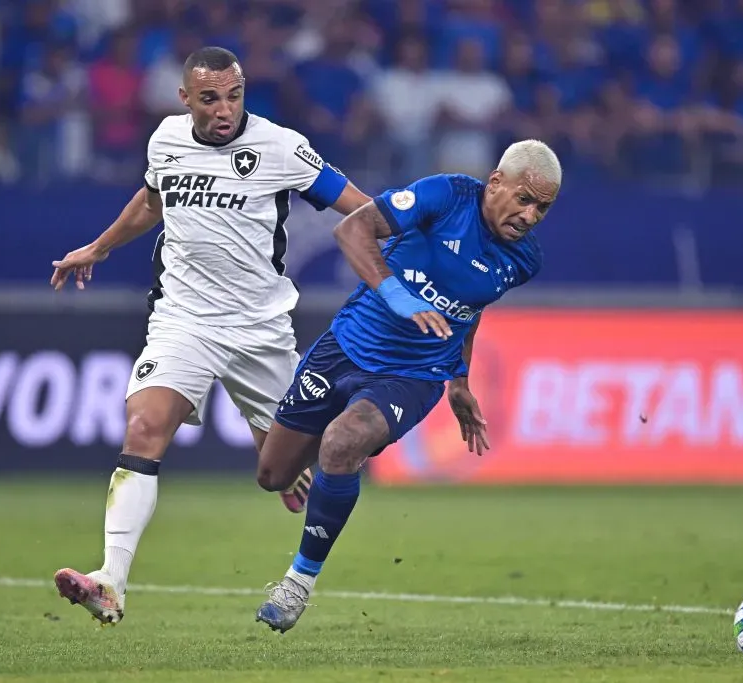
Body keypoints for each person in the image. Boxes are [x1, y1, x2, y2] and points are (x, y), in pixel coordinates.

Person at [48, 47, 371, 625]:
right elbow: (153, 202)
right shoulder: (166, 139)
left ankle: (301, 558)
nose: (224, 109)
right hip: (184, 319)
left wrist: (399, 270)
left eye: (233, 95)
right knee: (145, 427)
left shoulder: (280, 146)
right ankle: (110, 581)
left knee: (283, 471)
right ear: (184, 99)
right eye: (209, 98)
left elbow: (359, 208)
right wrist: (98, 247)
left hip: (261, 331)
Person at [252, 139, 562, 633]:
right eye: (525, 199)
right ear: (496, 182)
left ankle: (297, 584)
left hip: (412, 377)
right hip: (344, 349)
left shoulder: (523, 260)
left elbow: (468, 310)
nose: (531, 215)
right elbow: (352, 228)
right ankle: (322, 471)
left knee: (341, 442)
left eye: (543, 207)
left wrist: (459, 381)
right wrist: (398, 297)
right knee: (271, 473)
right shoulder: (445, 196)